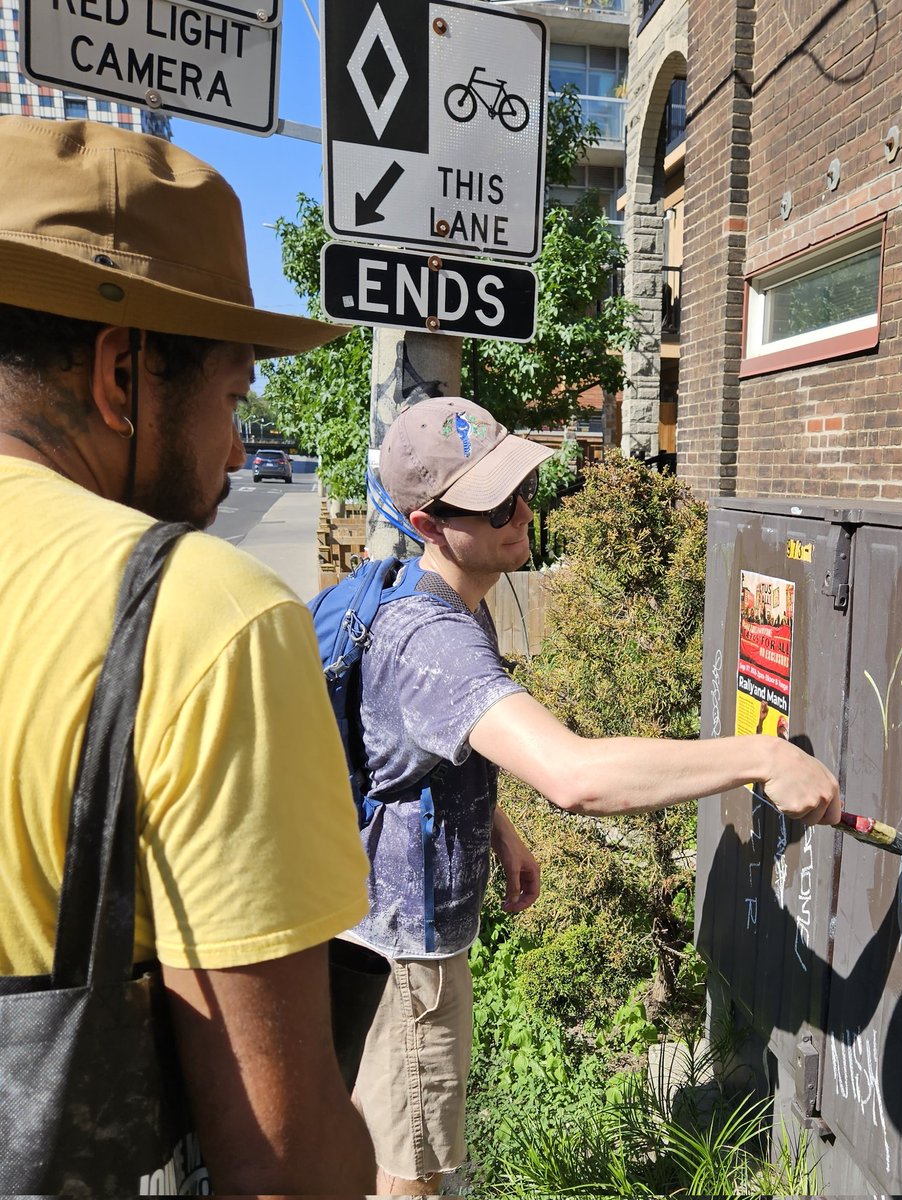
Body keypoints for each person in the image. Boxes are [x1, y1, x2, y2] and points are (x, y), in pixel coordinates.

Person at [0, 118, 375, 1192]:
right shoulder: (203, 615)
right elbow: (284, 1166)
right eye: (232, 396)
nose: (236, 451)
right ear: (123, 374)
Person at [347, 396, 843, 1194]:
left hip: (407, 929)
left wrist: (498, 826)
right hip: (408, 955)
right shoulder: (433, 638)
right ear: (428, 524)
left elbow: (415, 750)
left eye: (521, 490)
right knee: (411, 1170)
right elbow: (575, 777)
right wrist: (760, 756)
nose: (523, 512)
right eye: (495, 505)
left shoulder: (443, 602)